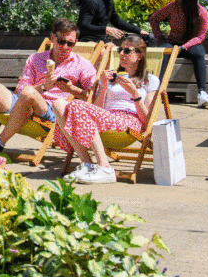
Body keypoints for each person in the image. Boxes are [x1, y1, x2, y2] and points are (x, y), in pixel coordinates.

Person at [0, 17, 97, 154]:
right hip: (23, 100)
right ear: (52, 38)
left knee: (29, 93)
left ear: (75, 43)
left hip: (52, 109)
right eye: (61, 42)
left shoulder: (82, 65)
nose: (65, 47)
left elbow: (91, 96)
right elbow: (21, 90)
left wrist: (70, 89)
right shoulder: (36, 59)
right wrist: (44, 87)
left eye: (70, 43)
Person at [53, 35, 160, 184]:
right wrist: (103, 85)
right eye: (120, 49)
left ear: (139, 56)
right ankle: (88, 164)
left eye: (127, 50)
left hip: (129, 121)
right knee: (58, 103)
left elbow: (147, 120)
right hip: (107, 117)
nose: (121, 53)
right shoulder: (111, 77)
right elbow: (96, 110)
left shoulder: (150, 80)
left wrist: (134, 93)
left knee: (76, 105)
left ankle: (105, 167)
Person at [150, 0, 208, 108]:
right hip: (172, 42)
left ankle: (202, 93)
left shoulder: (201, 12)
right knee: (164, 51)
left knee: (199, 53)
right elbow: (154, 18)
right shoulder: (173, 7)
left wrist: (183, 47)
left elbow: (200, 36)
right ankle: (157, 91)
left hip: (191, 45)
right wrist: (159, 36)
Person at [77, 0, 148, 43]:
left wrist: (139, 31)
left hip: (100, 40)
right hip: (87, 41)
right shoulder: (92, 1)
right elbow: (83, 26)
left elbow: (116, 21)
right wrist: (105, 29)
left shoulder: (109, 2)